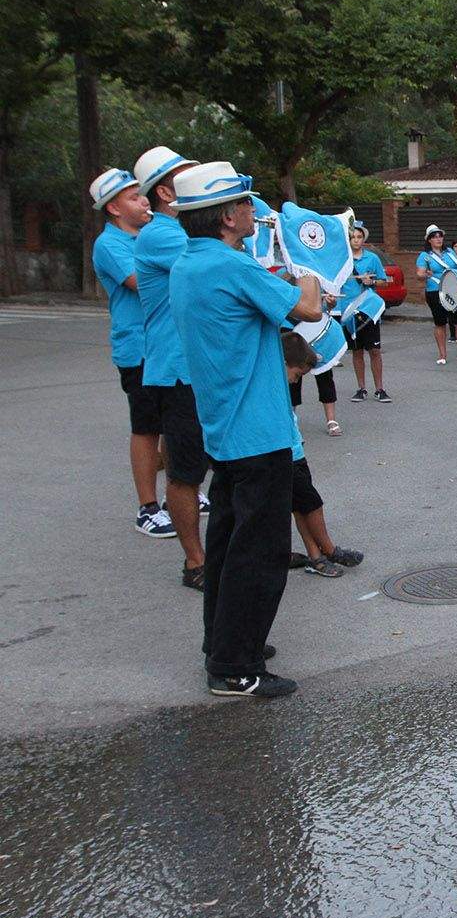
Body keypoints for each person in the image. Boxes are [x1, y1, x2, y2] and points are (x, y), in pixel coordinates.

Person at [168, 160, 322, 698]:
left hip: (227, 427)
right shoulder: (231, 267)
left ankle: (227, 642)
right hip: (258, 432)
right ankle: (235, 666)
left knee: (229, 543)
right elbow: (306, 307)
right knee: (259, 552)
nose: (254, 211)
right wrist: (310, 267)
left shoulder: (194, 263)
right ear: (228, 216)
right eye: (246, 204)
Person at [131, 145, 210, 590]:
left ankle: (229, 551)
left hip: (201, 365)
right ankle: (195, 562)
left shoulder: (181, 229)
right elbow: (211, 259)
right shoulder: (161, 233)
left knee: (224, 462)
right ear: (165, 191)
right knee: (185, 470)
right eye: (187, 177)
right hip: (178, 370)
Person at [90, 168, 171, 538]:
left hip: (166, 344)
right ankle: (147, 507)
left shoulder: (151, 235)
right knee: (146, 427)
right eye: (134, 197)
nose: (143, 201)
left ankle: (180, 491)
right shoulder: (109, 245)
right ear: (113, 209)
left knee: (176, 422)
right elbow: (143, 282)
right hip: (137, 347)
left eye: (142, 195)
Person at [280, 333, 365, 578]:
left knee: (300, 506)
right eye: (297, 374)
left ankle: (315, 557)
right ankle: (329, 549)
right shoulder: (273, 384)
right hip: (286, 452)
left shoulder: (281, 382)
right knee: (311, 503)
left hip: (294, 447)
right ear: (285, 363)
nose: (296, 381)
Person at [342, 221, 391, 403]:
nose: (356, 240)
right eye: (353, 237)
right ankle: (361, 388)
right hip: (349, 309)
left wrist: (373, 282)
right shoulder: (342, 260)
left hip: (369, 309)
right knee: (357, 351)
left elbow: (384, 281)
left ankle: (380, 389)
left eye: (359, 237)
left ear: (363, 239)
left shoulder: (372, 258)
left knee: (375, 350)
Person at [416, 225, 457, 366]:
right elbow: (419, 274)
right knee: (440, 323)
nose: (438, 238)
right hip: (435, 291)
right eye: (434, 236)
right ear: (429, 240)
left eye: (440, 235)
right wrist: (426, 274)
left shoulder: (449, 252)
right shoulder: (425, 256)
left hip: (453, 290)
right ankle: (442, 355)